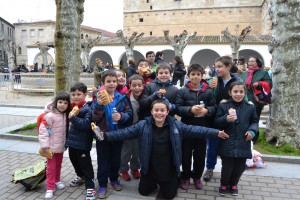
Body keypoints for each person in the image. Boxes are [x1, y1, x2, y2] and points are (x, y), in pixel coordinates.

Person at [97, 99, 229, 199]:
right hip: (150, 167)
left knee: (170, 195)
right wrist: (105, 136)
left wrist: (216, 132)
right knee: (143, 192)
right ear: (151, 112)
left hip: (168, 169)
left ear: (167, 112)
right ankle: (153, 182)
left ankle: (173, 180)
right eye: (156, 110)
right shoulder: (143, 125)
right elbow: (124, 132)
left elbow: (196, 130)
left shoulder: (176, 125)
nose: (159, 113)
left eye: (162, 110)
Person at [91, 70, 132, 199]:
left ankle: (114, 179)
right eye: (108, 81)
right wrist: (99, 105)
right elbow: (93, 118)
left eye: (114, 81)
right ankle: (103, 184)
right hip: (103, 135)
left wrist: (122, 116)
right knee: (103, 161)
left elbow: (129, 113)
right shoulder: (98, 98)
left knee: (116, 160)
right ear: (103, 83)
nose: (112, 84)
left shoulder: (122, 98)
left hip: (118, 135)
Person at [175, 64, 216, 190]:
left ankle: (197, 176)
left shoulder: (208, 91)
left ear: (202, 75)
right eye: (192, 74)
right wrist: (190, 109)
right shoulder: (182, 91)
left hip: (202, 129)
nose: (195, 77)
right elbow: (178, 107)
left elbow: (214, 107)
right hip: (187, 128)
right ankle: (186, 177)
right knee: (186, 154)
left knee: (200, 155)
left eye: (198, 74)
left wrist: (206, 111)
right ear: (188, 76)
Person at [215, 81, 258, 196]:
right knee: (227, 168)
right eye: (235, 91)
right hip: (227, 142)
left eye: (241, 92)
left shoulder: (250, 107)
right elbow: (216, 122)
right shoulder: (223, 105)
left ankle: (234, 184)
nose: (238, 94)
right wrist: (226, 119)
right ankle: (224, 184)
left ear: (244, 93)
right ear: (230, 92)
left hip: (243, 142)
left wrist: (252, 131)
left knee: (239, 168)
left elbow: (254, 121)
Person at [203, 56, 241, 182]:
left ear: (228, 67)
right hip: (215, 119)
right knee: (212, 145)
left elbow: (242, 99)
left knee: (228, 146)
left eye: (220, 67)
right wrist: (212, 89)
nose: (217, 69)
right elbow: (210, 99)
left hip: (231, 119)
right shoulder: (214, 81)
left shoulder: (237, 81)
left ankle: (228, 171)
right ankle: (209, 168)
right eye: (215, 67)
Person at [65, 82, 96, 200]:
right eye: (73, 94)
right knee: (74, 161)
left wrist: (73, 117)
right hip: (72, 142)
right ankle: (80, 176)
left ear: (85, 94)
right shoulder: (71, 107)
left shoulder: (87, 108)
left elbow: (85, 125)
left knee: (86, 165)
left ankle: (90, 187)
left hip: (82, 144)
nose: (75, 96)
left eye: (78, 94)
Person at [38, 92, 71, 199]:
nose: (62, 105)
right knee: (51, 168)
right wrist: (45, 147)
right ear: (55, 102)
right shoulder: (50, 116)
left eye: (65, 103)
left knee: (58, 165)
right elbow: (43, 131)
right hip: (50, 148)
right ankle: (50, 187)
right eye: (60, 102)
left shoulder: (66, 115)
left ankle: (57, 180)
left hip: (60, 147)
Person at [119, 74, 144, 181]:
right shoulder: (125, 98)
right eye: (134, 85)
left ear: (143, 86)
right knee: (126, 150)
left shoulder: (146, 97)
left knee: (137, 150)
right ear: (130, 85)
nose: (137, 88)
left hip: (140, 128)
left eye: (139, 85)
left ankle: (135, 168)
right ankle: (123, 169)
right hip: (128, 127)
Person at [241, 56, 272, 133]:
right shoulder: (245, 73)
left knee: (254, 119)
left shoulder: (263, 73)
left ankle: (254, 135)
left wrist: (259, 84)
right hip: (244, 99)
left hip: (256, 100)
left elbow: (269, 83)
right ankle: (245, 134)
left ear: (257, 63)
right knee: (244, 118)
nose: (250, 63)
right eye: (249, 61)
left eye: (252, 61)